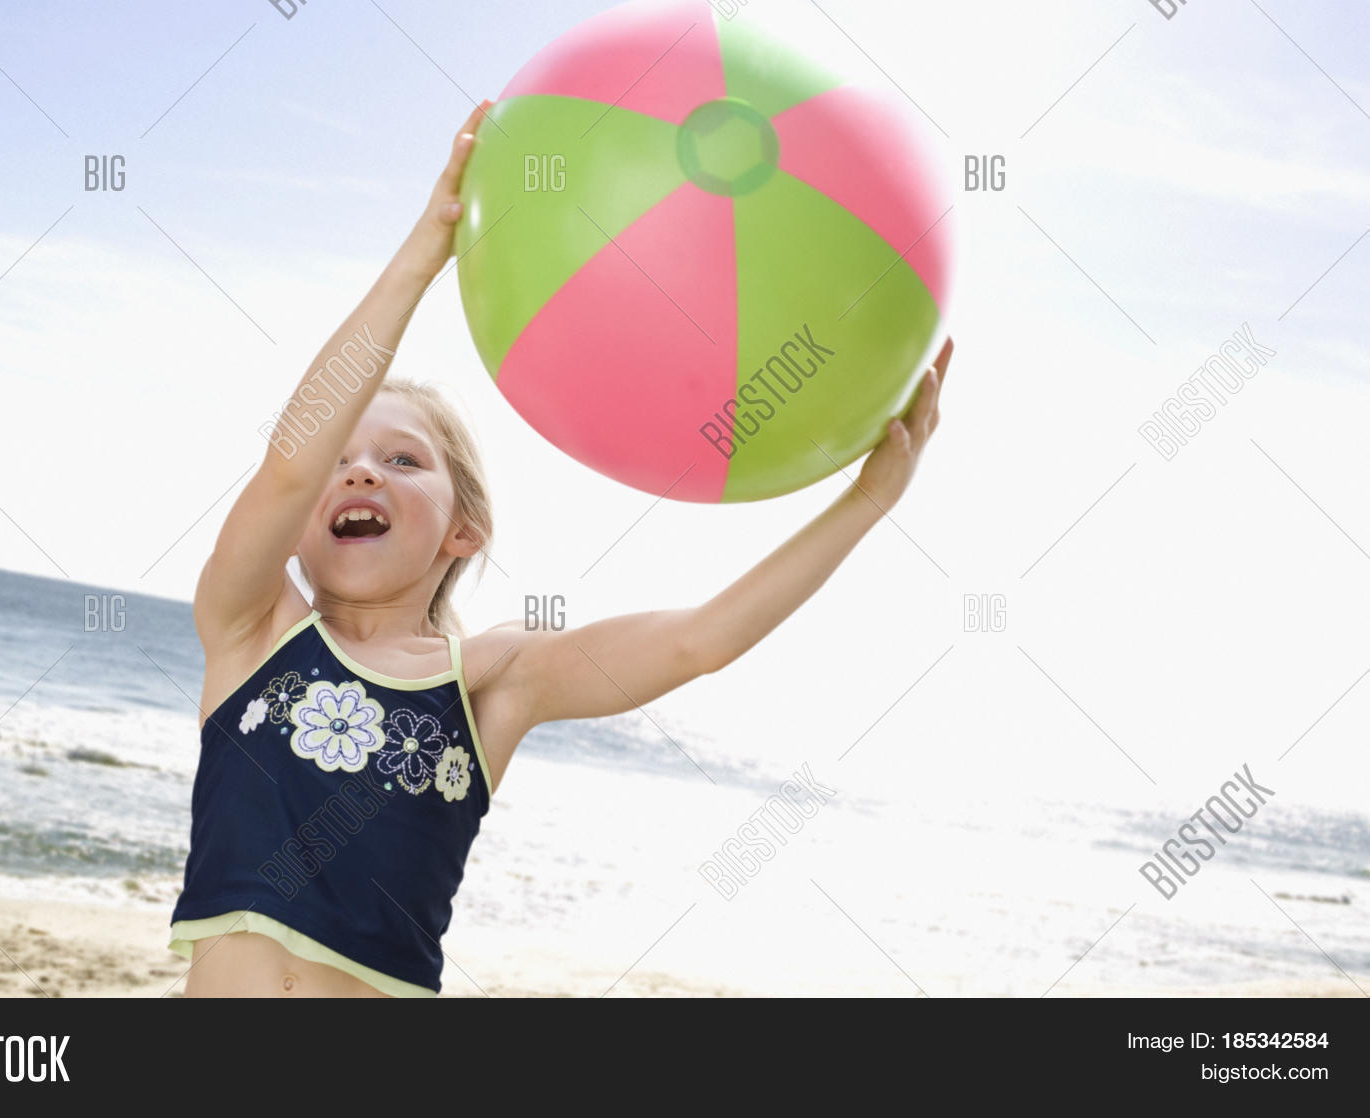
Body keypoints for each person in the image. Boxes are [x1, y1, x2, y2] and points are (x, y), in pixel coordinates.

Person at [167, 102, 953, 997]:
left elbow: (704, 640)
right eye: (340, 461)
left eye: (402, 461)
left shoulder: (497, 681)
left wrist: (869, 500)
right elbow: (284, 467)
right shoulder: (250, 634)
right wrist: (425, 255)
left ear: (465, 528)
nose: (360, 475)